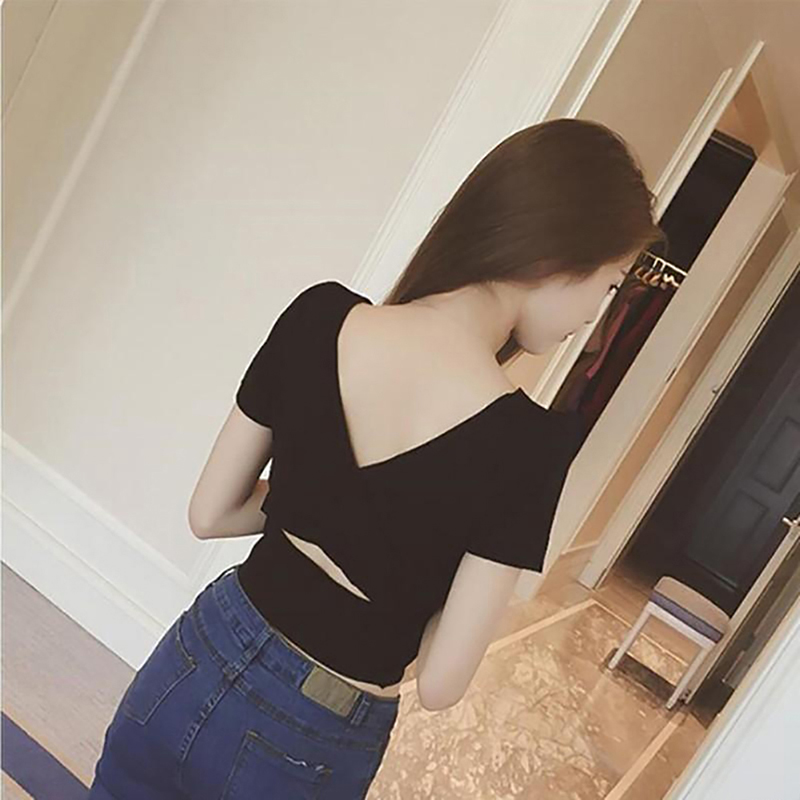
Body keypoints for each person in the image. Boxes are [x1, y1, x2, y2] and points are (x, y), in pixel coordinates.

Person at [87, 118, 666, 799]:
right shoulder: (530, 446)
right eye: (610, 284)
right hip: (313, 731)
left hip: (198, 651)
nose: (594, 317)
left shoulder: (319, 315)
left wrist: (318, 507)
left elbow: (210, 513)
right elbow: (443, 683)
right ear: (559, 254)